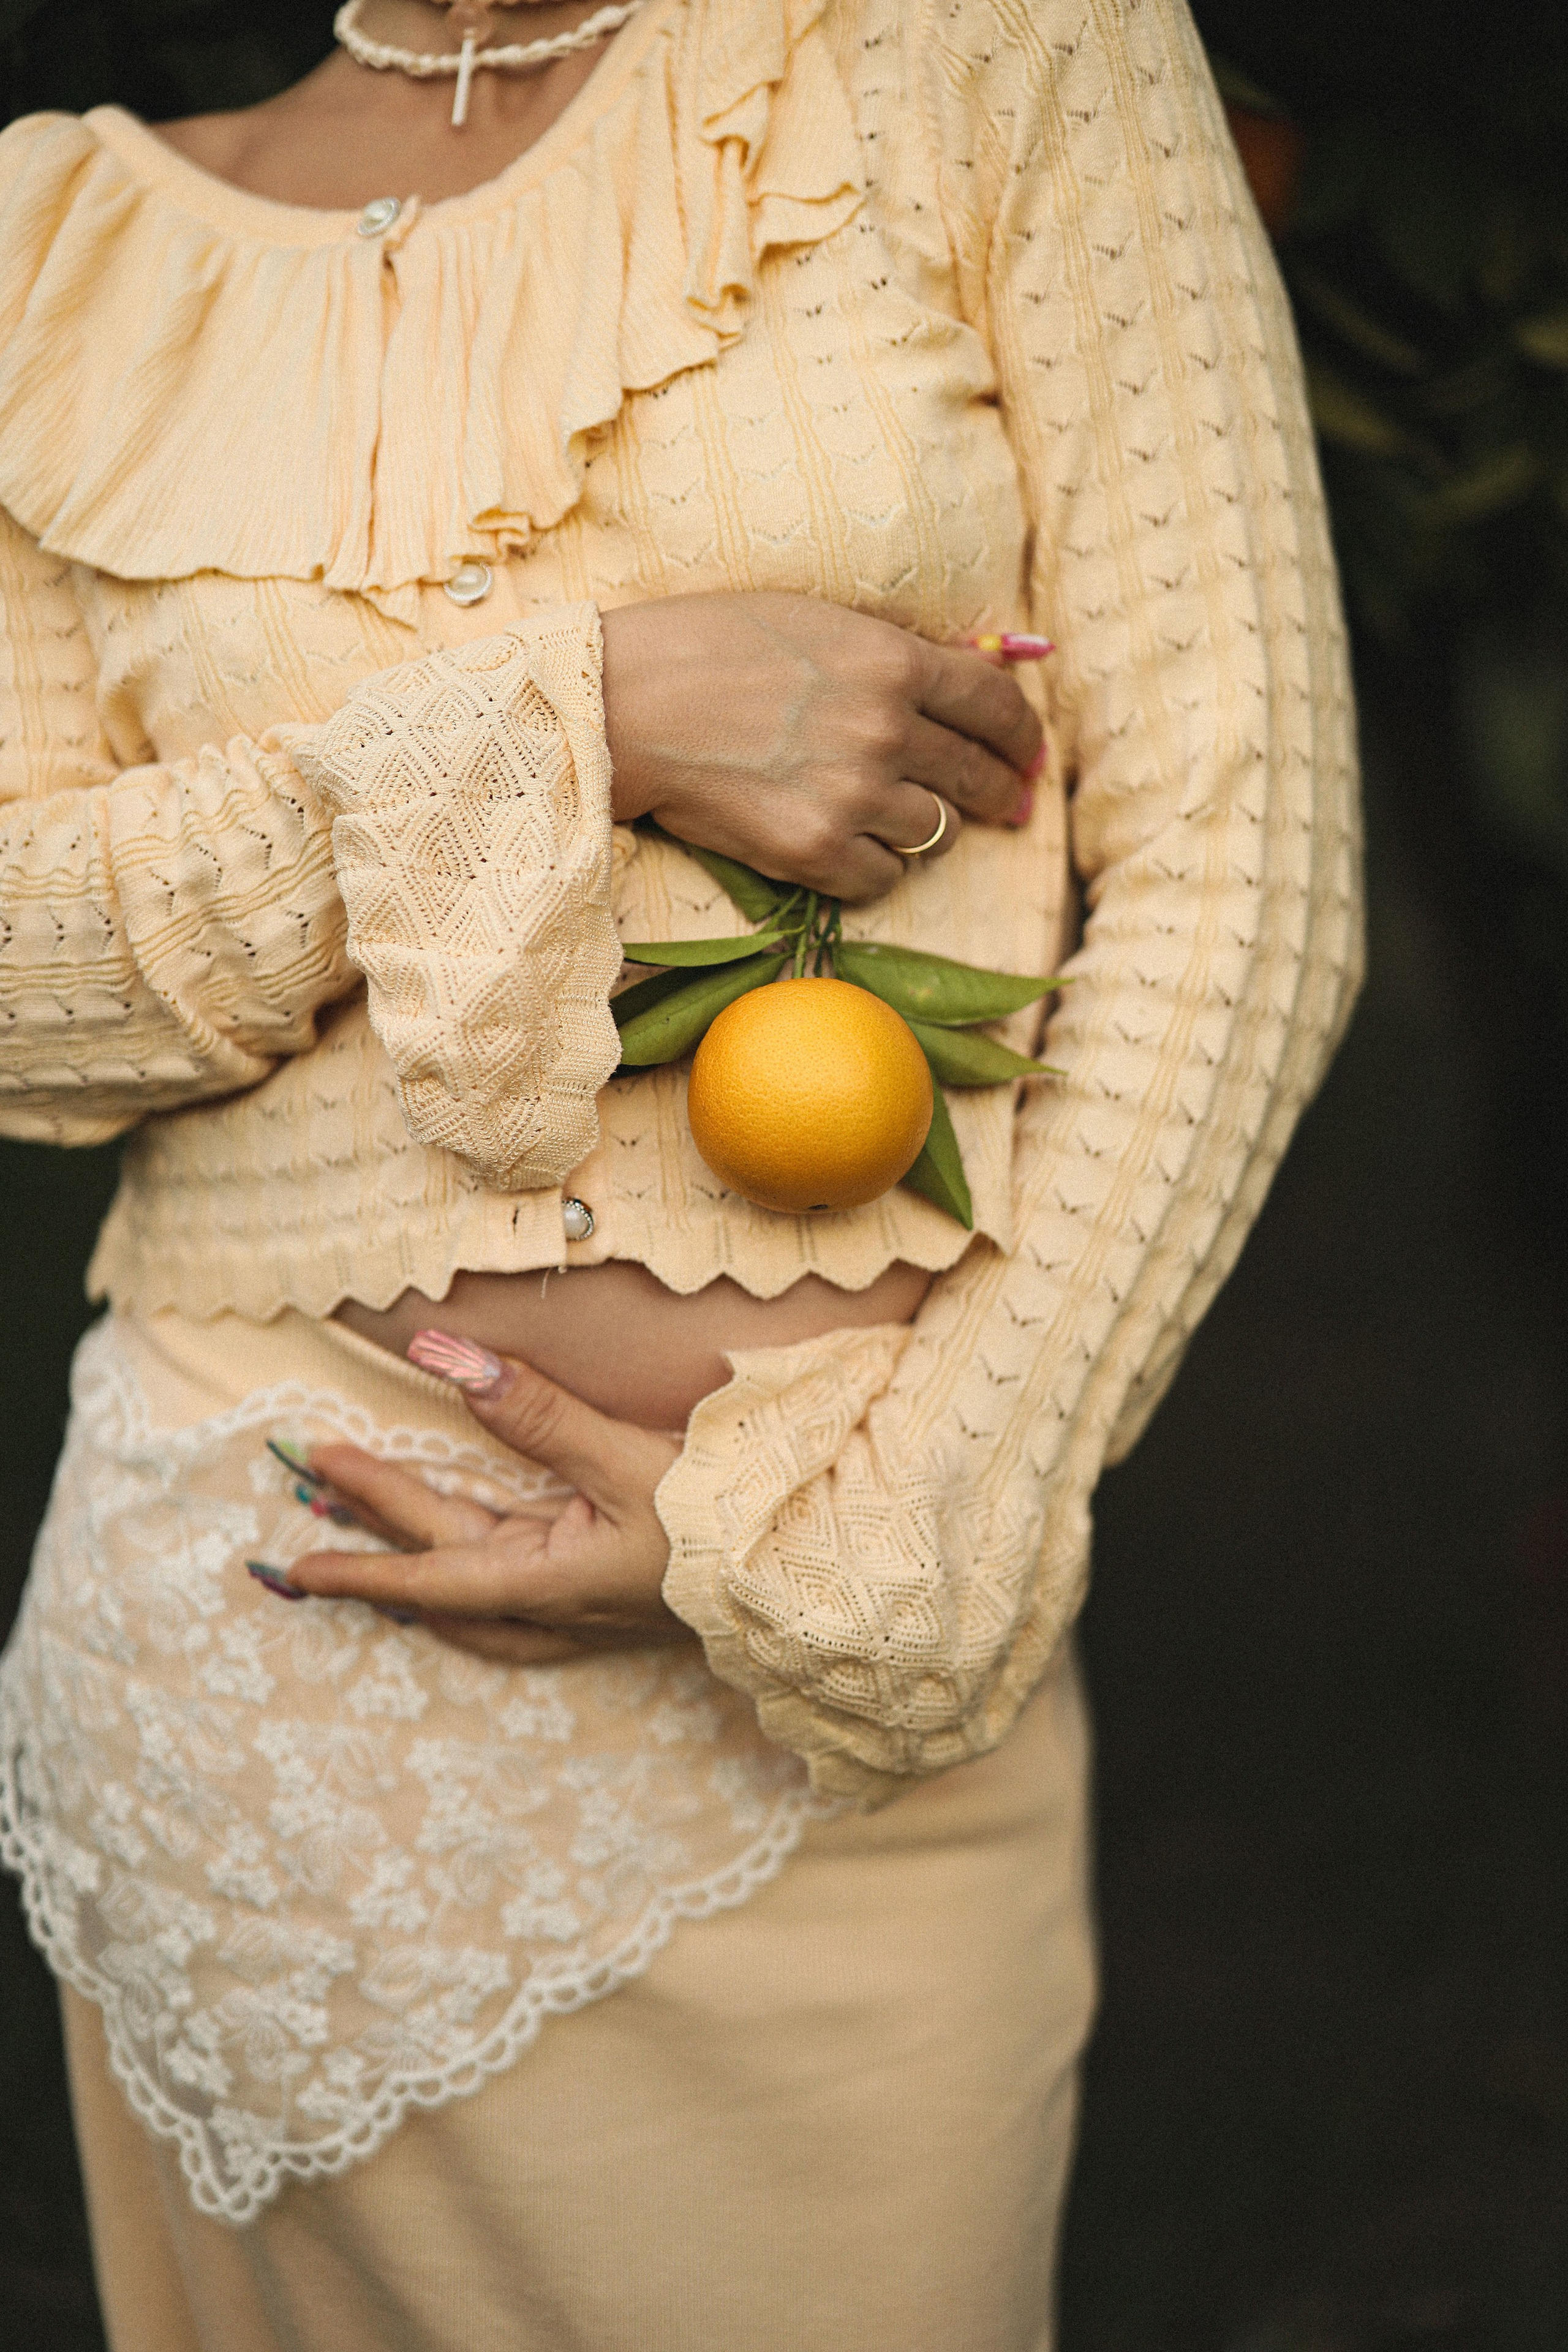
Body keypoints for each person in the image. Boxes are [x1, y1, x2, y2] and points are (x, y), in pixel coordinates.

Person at [0, 0, 1363, 2345]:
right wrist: (582, 716)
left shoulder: (991, 53)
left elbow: (1256, 858)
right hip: (255, 1636)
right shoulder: (57, 241)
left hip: (814, 1675)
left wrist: (883, 1534)